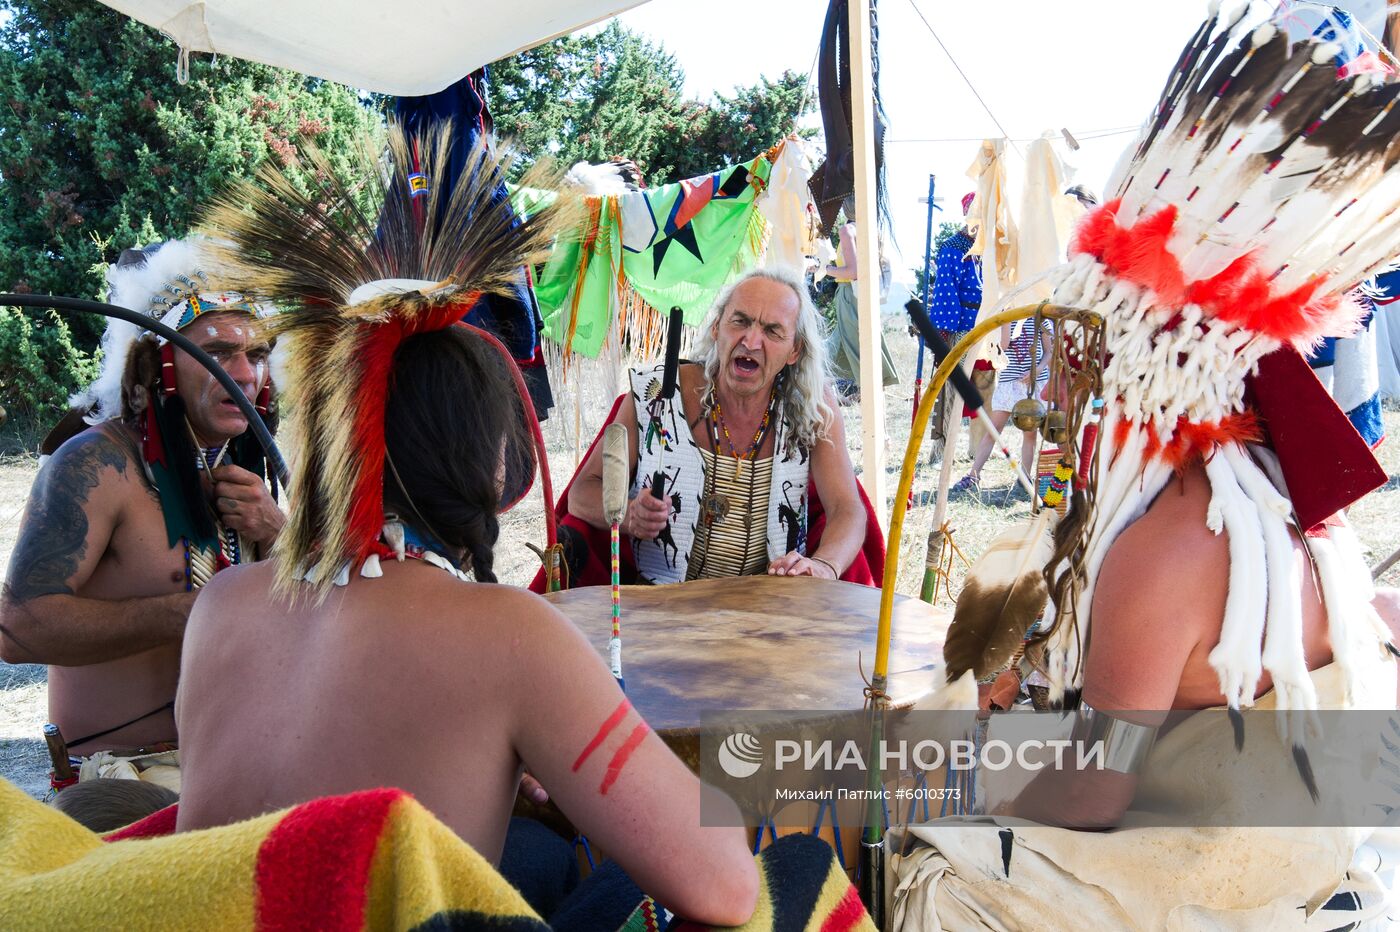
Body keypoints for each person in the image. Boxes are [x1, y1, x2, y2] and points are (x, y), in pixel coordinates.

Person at [890, 12, 1400, 929]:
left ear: (1125, 372)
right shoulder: (1270, 495)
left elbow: (1095, 795)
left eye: (1080, 360)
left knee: (934, 874)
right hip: (1302, 842)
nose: (1064, 386)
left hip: (1229, 878)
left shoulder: (1171, 543)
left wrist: (968, 786)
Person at [172, 130, 759, 926]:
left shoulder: (221, 607)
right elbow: (725, 886)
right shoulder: (511, 633)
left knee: (542, 857)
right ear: (490, 466)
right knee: (751, 861)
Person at [0, 240, 282, 760]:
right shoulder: (94, 465)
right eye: (218, 353)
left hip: (242, 760)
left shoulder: (255, 474)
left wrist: (278, 533)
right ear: (161, 366)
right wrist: (192, 613)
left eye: (258, 354)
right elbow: (16, 630)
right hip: (127, 778)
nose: (244, 375)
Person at [562, 267, 874, 587]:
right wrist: (628, 514)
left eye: (772, 330)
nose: (751, 341)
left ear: (795, 350)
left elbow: (846, 509)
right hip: (657, 606)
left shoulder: (814, 408)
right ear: (716, 328)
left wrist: (824, 565)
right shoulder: (652, 393)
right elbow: (581, 494)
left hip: (771, 607)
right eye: (740, 321)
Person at [949, 315, 1053, 499]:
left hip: (1034, 383)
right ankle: (973, 476)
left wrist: (1035, 370)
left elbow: (1049, 352)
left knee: (1030, 433)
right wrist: (1007, 319)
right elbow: (1001, 348)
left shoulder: (1040, 318)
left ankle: (1025, 478)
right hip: (1008, 383)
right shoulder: (1005, 318)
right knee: (993, 431)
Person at [825, 200, 898, 403]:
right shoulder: (869, 230)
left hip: (849, 296)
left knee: (858, 356)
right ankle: (845, 400)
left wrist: (826, 270)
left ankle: (864, 405)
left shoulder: (847, 230)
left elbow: (852, 272)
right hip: (864, 297)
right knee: (846, 351)